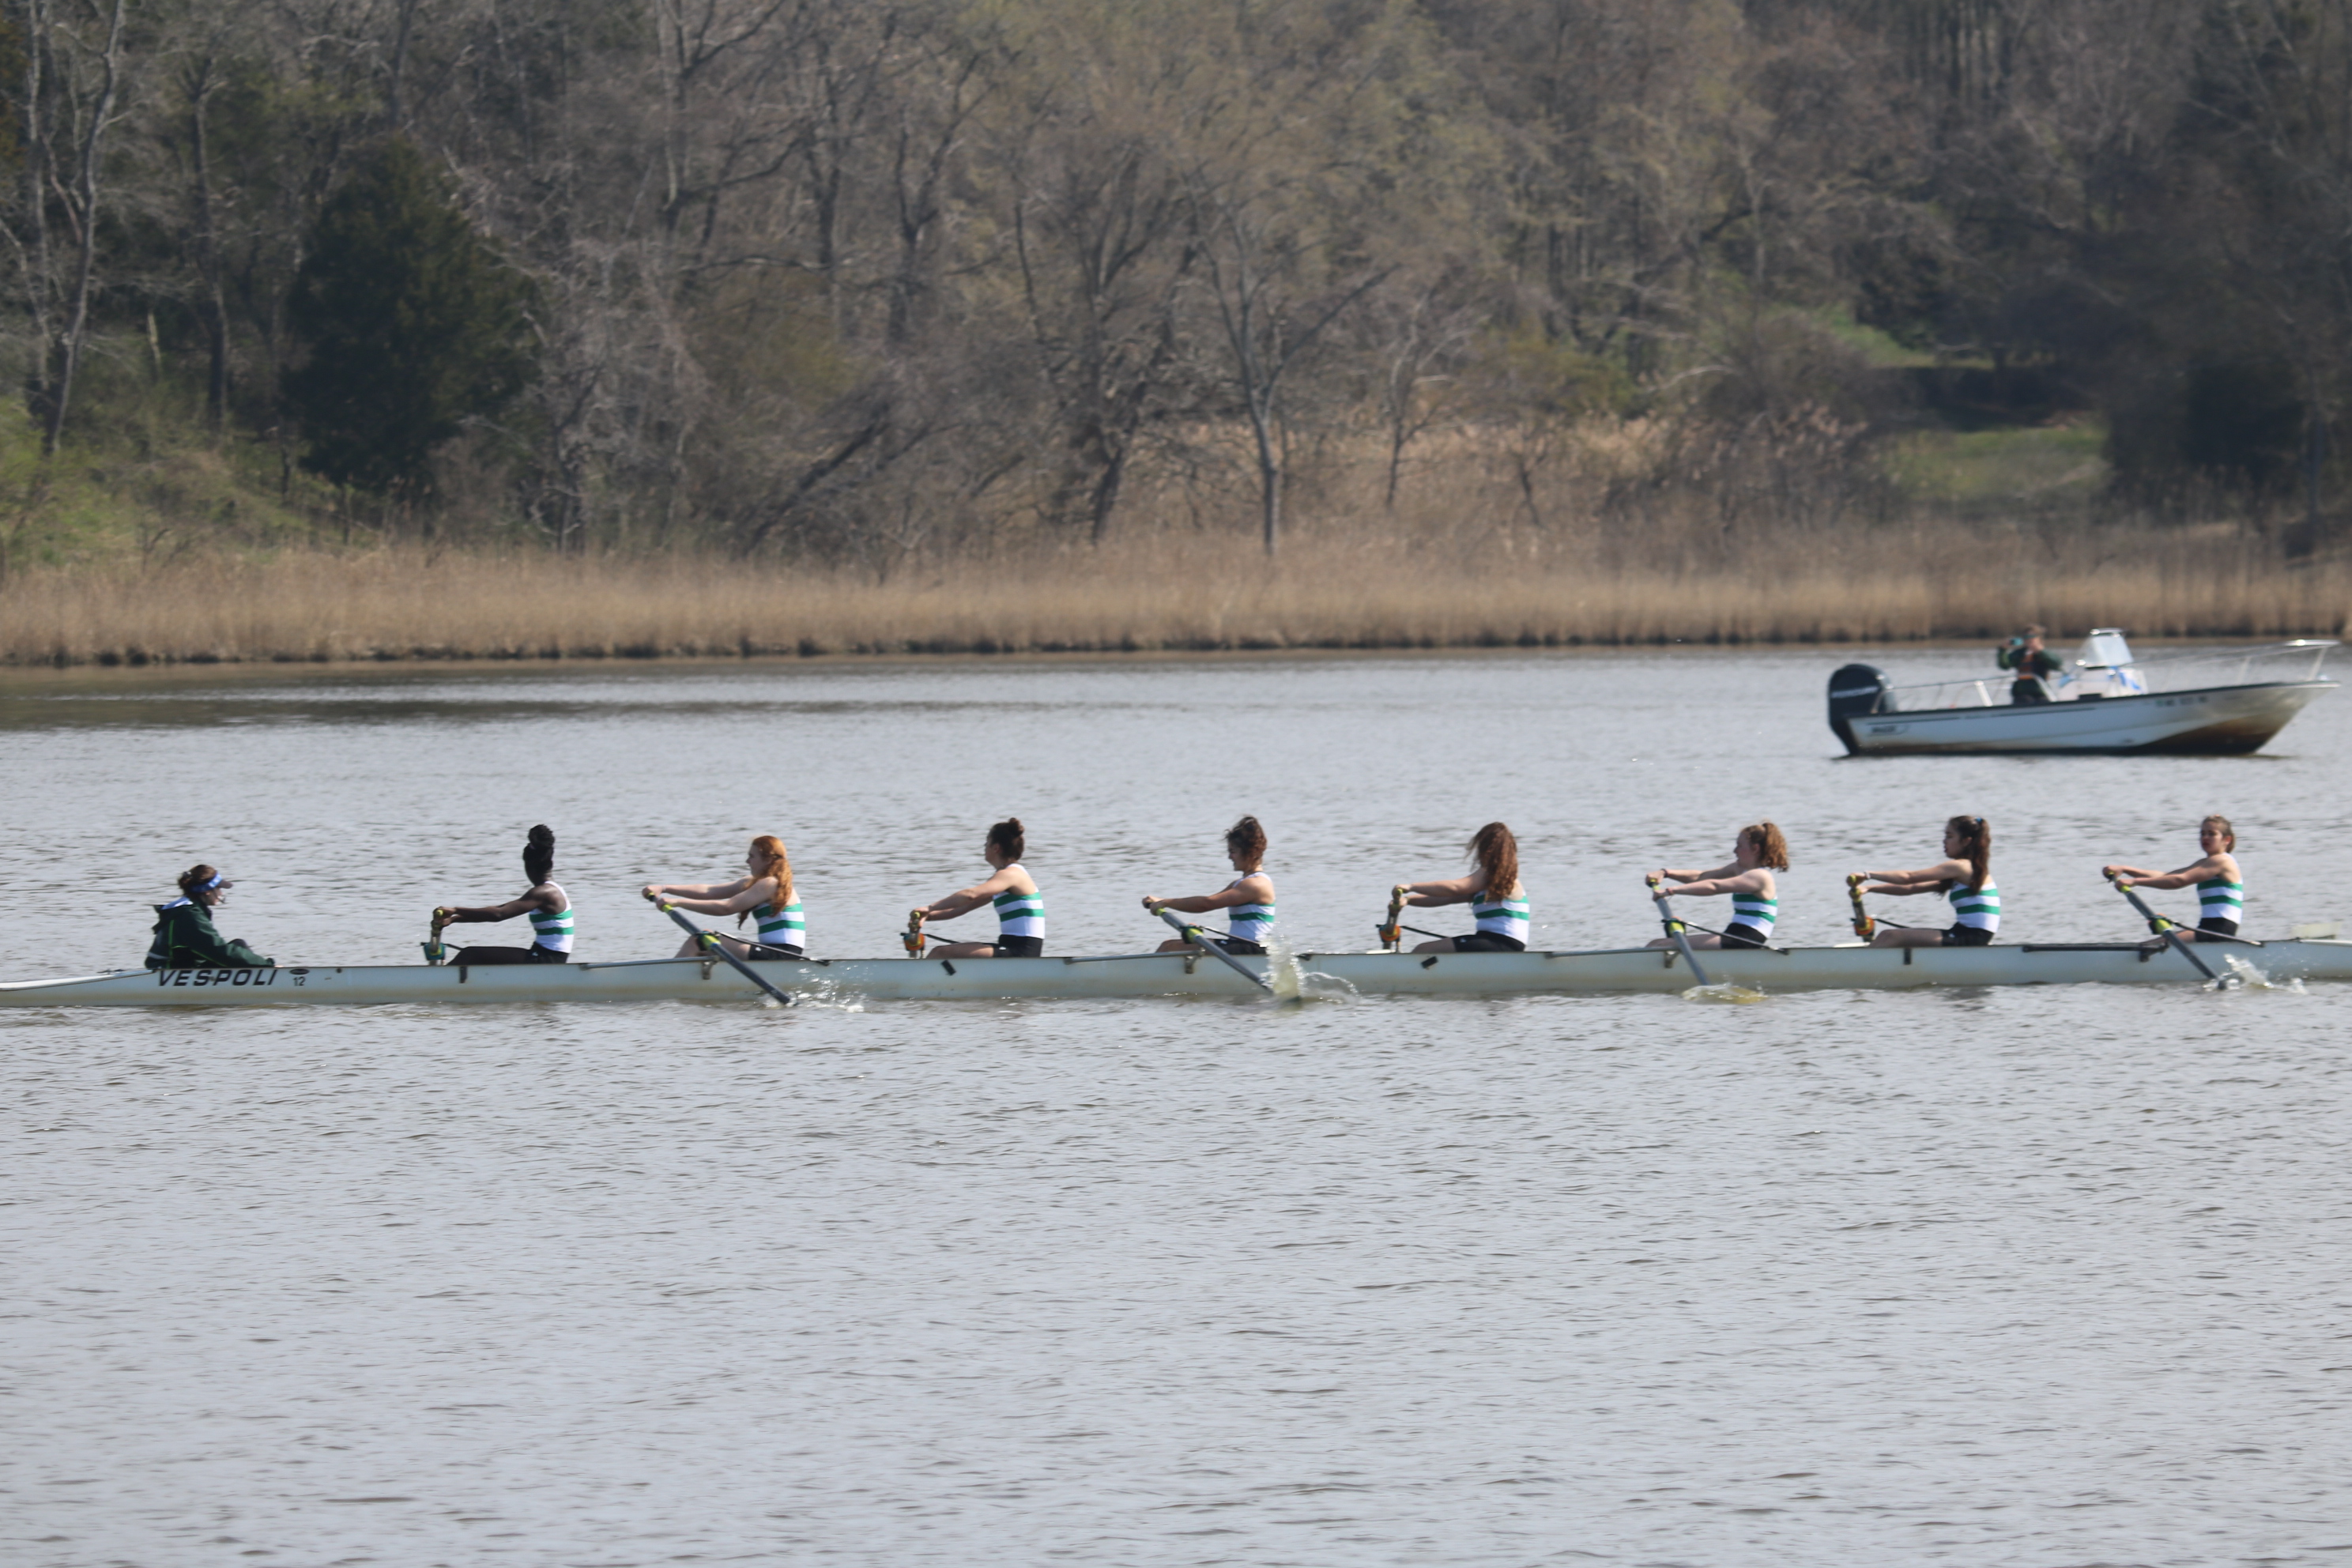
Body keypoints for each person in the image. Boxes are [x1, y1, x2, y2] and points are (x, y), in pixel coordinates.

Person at [643, 835, 805, 959]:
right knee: (707, 943)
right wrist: (664, 888)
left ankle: (663, 982)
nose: (747, 861)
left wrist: (678, 903)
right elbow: (710, 891)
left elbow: (726, 908)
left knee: (699, 941)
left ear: (768, 860)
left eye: (752, 856)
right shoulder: (756, 883)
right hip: (772, 950)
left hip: (784, 954)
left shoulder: (770, 884)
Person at [434, 824, 574, 964]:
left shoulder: (544, 893)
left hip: (548, 959)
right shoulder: (552, 890)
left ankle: (438, 978)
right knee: (479, 957)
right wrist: (454, 919)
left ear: (528, 865)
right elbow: (499, 909)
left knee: (471, 954)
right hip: (542, 954)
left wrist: (455, 910)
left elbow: (498, 914)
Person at [1856, 815, 1998, 948]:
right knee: (1890, 937)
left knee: (1891, 936)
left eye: (1950, 836)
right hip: (1965, 933)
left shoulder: (1961, 867)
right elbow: (1911, 888)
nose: (1944, 841)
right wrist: (1869, 888)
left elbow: (1908, 877)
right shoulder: (1965, 870)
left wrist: (1868, 875)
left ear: (1966, 841)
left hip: (1973, 936)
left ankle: (1858, 963)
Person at [914, 818, 1044, 958]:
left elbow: (971, 895)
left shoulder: (1011, 874)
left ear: (996, 848)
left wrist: (930, 907)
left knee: (941, 953)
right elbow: (963, 907)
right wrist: (927, 916)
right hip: (1010, 947)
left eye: (987, 842)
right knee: (952, 951)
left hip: (1023, 950)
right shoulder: (1004, 877)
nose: (984, 846)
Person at [1144, 816, 1276, 954]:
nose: (1230, 857)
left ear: (1250, 852)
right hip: (1241, 946)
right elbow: (1208, 902)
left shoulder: (1256, 884)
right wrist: (1160, 901)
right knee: (1170, 945)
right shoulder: (1240, 883)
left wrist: (1165, 903)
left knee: (1170, 948)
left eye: (1233, 852)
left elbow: (1206, 904)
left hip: (1255, 948)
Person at [2103, 814, 2244, 944]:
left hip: (2219, 931)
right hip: (2208, 929)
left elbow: (2179, 881)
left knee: (2148, 947)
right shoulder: (2205, 862)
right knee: (2152, 946)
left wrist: (2135, 882)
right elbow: (2165, 877)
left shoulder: (2222, 861)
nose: (2205, 837)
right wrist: (2125, 869)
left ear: (2227, 840)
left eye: (2211, 834)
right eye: (2202, 834)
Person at [1646, 822, 1789, 950]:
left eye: (1740, 846)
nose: (1735, 851)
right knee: (1660, 944)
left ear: (1755, 849)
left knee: (1659, 946)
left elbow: (1715, 886)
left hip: (1746, 939)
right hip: (1734, 935)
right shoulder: (1739, 869)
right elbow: (1701, 877)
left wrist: (1671, 891)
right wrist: (1666, 873)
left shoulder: (1760, 876)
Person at [1396, 822, 1529, 954]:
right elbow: (1447, 898)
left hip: (1501, 942)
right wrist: (1408, 900)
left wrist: (1411, 886)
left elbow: (1455, 888)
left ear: (1486, 849)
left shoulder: (1491, 875)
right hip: (1497, 942)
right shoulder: (1495, 882)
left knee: (1423, 950)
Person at [146, 865, 273, 970]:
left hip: (181, 965)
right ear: (208, 891)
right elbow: (218, 950)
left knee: (239, 945)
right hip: (166, 970)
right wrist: (266, 965)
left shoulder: (189, 909)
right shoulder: (190, 916)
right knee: (236, 954)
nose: (221, 893)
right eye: (219, 888)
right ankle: (267, 977)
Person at [1996, 625, 2063, 706]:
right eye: (2026, 637)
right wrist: (2002, 650)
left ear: (2039, 638)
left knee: (2043, 702)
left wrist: (2040, 652)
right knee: (2025, 700)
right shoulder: (2020, 654)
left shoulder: (2044, 653)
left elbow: (2057, 664)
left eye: (2032, 637)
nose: (2029, 639)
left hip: (2040, 692)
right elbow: (2005, 665)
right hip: (2022, 693)